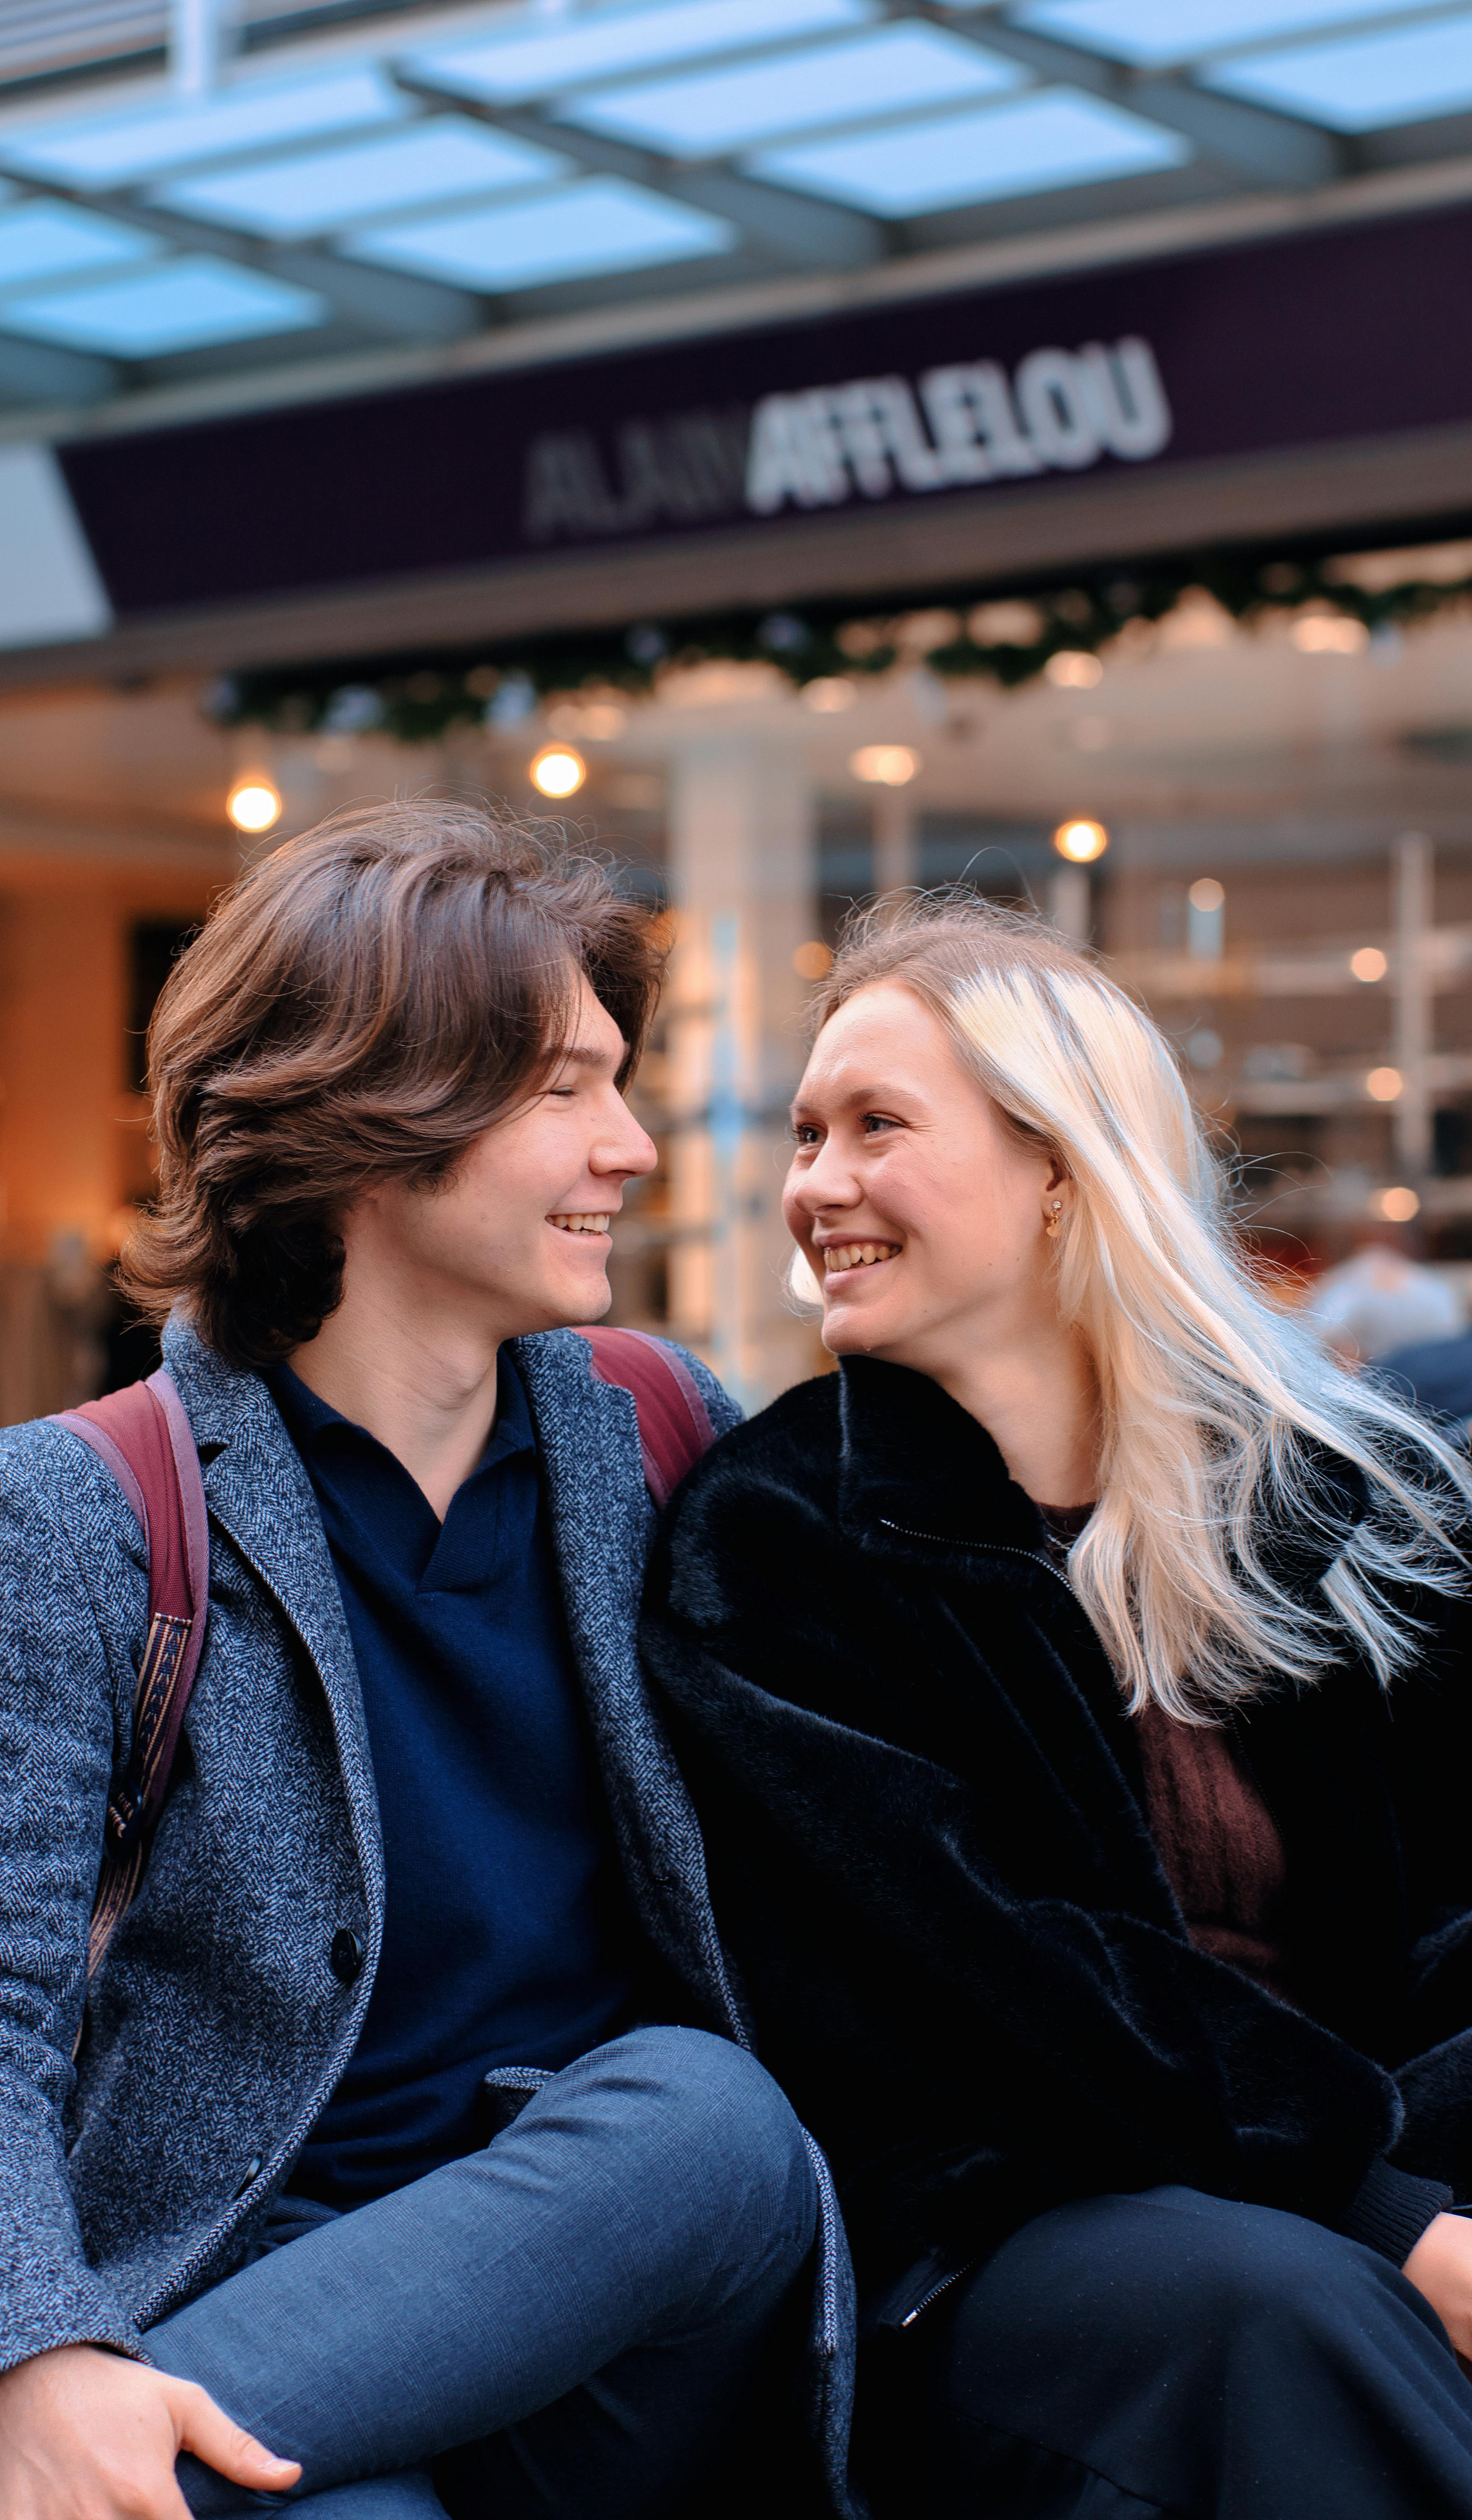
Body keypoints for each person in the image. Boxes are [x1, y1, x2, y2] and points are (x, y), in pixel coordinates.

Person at [0, 803, 822, 2520]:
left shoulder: (668, 1437)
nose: (636, 1147)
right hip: (260, 2295)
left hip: (632, 2313)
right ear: (371, 1112)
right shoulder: (80, 1517)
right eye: (564, 1090)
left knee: (699, 2111)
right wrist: (41, 2355)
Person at [640, 893, 1472, 2520]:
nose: (814, 1187)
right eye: (807, 1135)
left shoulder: (1316, 1508)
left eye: (876, 1127)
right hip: (1004, 2223)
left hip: (1350, 2161)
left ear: (1056, 1171)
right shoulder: (784, 1536)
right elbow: (988, 1978)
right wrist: (1386, 2213)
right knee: (1281, 2318)